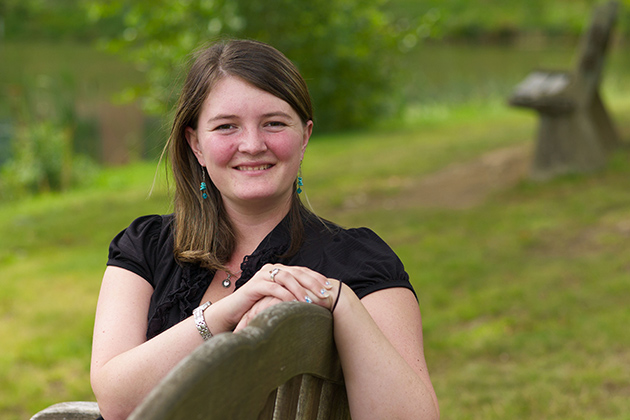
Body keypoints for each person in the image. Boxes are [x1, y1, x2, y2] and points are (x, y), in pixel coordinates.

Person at [90, 38, 439, 420]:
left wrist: (341, 302)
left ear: (304, 137)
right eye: (226, 127)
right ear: (196, 145)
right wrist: (225, 313)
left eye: (274, 123)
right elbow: (116, 400)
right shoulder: (145, 247)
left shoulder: (359, 262)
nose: (253, 145)